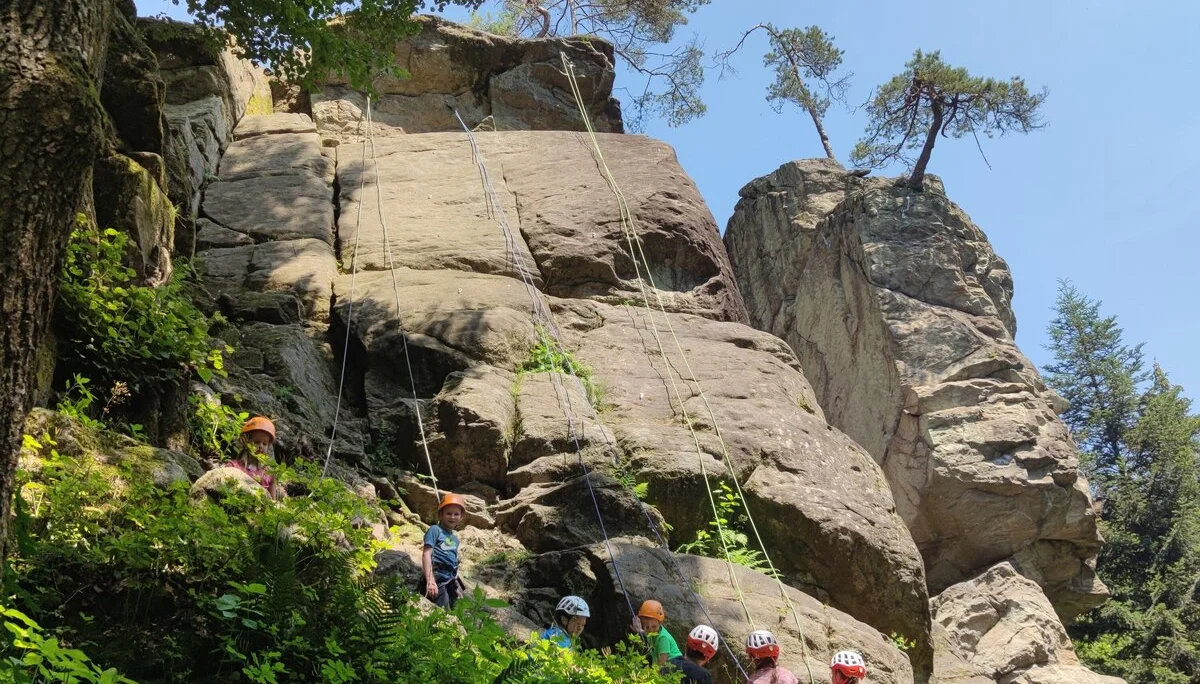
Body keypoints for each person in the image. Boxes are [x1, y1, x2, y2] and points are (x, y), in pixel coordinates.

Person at [422, 493, 466, 608]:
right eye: (448, 513)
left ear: (461, 517)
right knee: (442, 609)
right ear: (440, 515)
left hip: (450, 578)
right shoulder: (435, 530)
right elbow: (427, 554)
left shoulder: (455, 539)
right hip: (438, 577)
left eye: (456, 514)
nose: (452, 517)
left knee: (456, 609)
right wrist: (430, 581)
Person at [228, 416, 284, 500]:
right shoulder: (233, 466)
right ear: (246, 441)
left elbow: (272, 503)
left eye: (265, 444)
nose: (261, 446)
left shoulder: (270, 473)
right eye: (256, 442)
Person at [631, 599, 683, 668]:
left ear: (660, 623)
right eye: (647, 627)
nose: (651, 630)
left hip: (674, 664)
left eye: (654, 627)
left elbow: (662, 662)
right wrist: (639, 631)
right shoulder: (652, 632)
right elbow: (646, 633)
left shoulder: (663, 638)